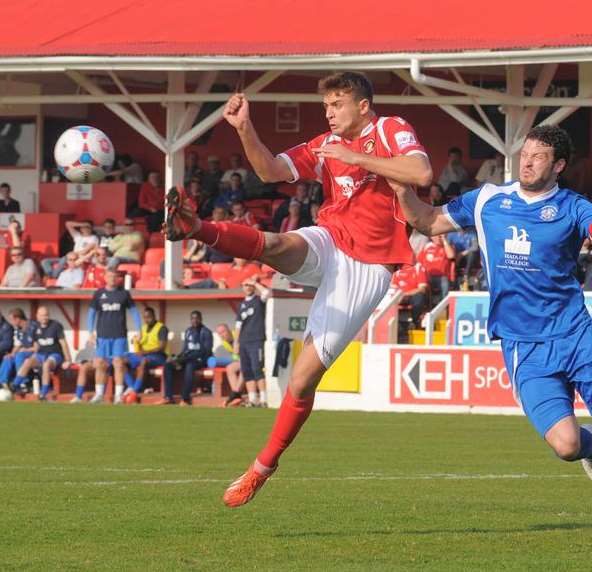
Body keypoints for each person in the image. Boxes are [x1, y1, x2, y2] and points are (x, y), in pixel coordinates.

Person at [391, 124, 592, 547]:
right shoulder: (488, 199)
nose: (528, 161)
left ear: (558, 165)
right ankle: (588, 449)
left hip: (575, 332)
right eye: (525, 154)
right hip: (524, 344)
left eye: (538, 157)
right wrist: (398, 187)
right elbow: (427, 221)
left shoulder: (573, 207)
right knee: (566, 444)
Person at [164, 71, 432, 506]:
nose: (328, 113)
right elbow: (270, 171)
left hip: (369, 266)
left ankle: (262, 468)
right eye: (325, 105)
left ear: (362, 106)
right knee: (276, 243)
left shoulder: (390, 129)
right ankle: (196, 227)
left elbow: (420, 171)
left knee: (303, 379)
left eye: (336, 104)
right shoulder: (323, 146)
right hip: (331, 237)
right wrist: (245, 128)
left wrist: (356, 156)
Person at [77, 268, 142, 404]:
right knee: (100, 364)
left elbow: (134, 312)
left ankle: (118, 396)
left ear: (118, 278)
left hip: (119, 335)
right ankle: (99, 395)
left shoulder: (124, 294)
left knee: (118, 363)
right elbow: (91, 314)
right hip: (102, 336)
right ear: (105, 277)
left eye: (115, 276)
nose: (112, 279)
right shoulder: (99, 294)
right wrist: (90, 333)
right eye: (110, 276)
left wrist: (139, 330)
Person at [13, 306, 72, 401]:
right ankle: (15, 385)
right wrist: (31, 354)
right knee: (28, 361)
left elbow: (63, 343)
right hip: (41, 354)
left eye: (46, 315)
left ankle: (43, 393)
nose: (45, 317)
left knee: (46, 365)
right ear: (37, 316)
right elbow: (37, 345)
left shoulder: (56, 325)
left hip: (55, 354)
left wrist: (68, 360)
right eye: (42, 315)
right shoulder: (35, 328)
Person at [158, 310, 213, 406]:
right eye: (192, 318)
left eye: (197, 318)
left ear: (201, 319)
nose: (194, 320)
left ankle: (185, 399)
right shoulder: (188, 331)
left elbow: (206, 351)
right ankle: (168, 397)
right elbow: (185, 350)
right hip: (187, 358)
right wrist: (176, 357)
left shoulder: (206, 332)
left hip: (200, 360)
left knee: (189, 365)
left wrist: (184, 358)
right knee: (168, 365)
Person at [121, 306, 169, 404]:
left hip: (159, 356)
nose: (147, 320)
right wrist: (134, 340)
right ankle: (131, 386)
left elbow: (161, 347)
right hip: (144, 355)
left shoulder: (162, 328)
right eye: (145, 318)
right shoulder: (142, 328)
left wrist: (144, 352)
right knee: (121, 360)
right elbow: (138, 341)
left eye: (149, 317)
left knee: (143, 362)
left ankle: (135, 391)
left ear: (154, 316)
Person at [235, 279, 269, 408]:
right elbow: (238, 325)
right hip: (244, 341)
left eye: (250, 285)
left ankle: (263, 399)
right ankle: (253, 399)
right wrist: (236, 343)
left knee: (257, 369)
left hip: (256, 340)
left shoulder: (259, 300)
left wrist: (255, 283)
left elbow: (267, 292)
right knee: (247, 371)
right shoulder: (242, 304)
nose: (248, 287)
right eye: (245, 285)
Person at [0, 308, 35, 393]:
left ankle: (22, 384)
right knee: (8, 358)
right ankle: (3, 383)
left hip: (35, 353)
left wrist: (26, 349)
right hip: (24, 352)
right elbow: (17, 344)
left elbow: (39, 346)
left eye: (11, 320)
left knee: (20, 355)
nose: (11, 322)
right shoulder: (18, 329)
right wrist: (12, 354)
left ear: (18, 319)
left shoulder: (33, 326)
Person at [210, 323, 243, 408]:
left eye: (223, 332)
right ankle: (237, 397)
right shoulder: (225, 343)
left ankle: (235, 394)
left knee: (245, 366)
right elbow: (235, 357)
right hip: (241, 360)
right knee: (229, 368)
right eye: (219, 333)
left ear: (228, 330)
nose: (222, 335)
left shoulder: (238, 335)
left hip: (251, 359)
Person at [390, 262, 429, 328]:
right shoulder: (397, 268)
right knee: (389, 299)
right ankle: (395, 325)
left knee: (418, 297)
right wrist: (398, 296)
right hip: (399, 296)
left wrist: (405, 294)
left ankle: (415, 321)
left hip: (412, 295)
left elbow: (422, 288)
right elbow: (393, 287)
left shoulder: (418, 267)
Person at [418, 234, 455, 301]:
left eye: (440, 236)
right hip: (427, 276)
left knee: (445, 284)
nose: (438, 238)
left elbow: (451, 256)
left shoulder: (447, 246)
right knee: (421, 286)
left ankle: (443, 306)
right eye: (436, 236)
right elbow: (419, 262)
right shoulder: (427, 247)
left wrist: (444, 240)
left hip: (442, 276)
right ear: (432, 237)